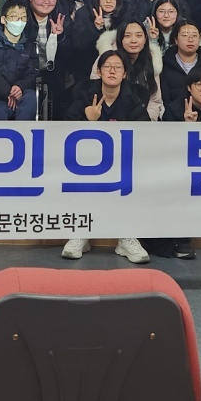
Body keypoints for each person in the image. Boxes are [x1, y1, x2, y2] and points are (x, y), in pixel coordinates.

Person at [61, 50, 150, 264]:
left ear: (124, 74)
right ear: (99, 71)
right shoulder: (84, 94)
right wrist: (88, 121)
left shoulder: (135, 98)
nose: (112, 71)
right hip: (87, 160)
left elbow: (145, 132)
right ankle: (81, 232)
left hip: (123, 161)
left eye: (118, 67)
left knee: (133, 178)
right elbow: (64, 131)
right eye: (107, 66)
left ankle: (126, 236)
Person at [158, 21, 201, 116]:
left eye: (194, 36)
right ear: (176, 40)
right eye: (185, 35)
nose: (190, 39)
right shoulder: (164, 64)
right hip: (173, 116)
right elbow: (163, 98)